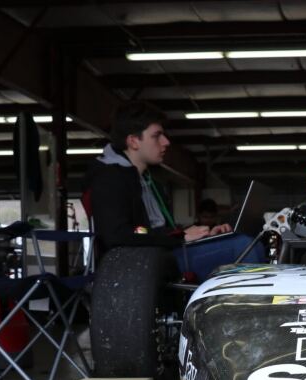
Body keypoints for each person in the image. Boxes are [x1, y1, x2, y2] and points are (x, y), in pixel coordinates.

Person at [84, 102, 263, 280]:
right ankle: (254, 308)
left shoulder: (148, 180)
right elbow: (118, 234)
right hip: (143, 263)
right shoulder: (109, 178)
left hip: (162, 255)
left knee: (247, 241)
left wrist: (203, 235)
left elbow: (154, 230)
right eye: (157, 136)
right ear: (133, 141)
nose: (166, 142)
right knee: (243, 246)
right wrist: (181, 237)